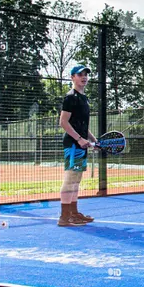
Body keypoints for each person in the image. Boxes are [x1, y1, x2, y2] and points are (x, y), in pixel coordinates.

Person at [57, 65, 97, 227]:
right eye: (80, 74)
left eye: (86, 74)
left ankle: (73, 213)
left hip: (80, 144)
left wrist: (93, 140)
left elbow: (81, 124)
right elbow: (63, 122)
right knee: (70, 179)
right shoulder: (70, 97)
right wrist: (80, 139)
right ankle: (64, 217)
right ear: (72, 77)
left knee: (76, 179)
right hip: (73, 145)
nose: (84, 77)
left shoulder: (83, 98)